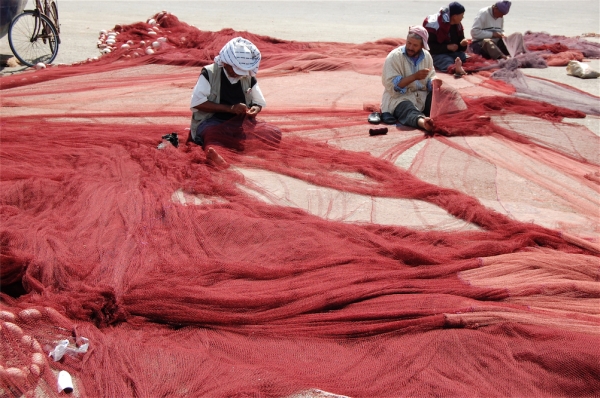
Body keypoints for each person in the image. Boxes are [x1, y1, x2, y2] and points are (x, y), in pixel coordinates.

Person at [189, 37, 281, 167]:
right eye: (235, 70)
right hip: (212, 121)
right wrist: (230, 108)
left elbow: (258, 102)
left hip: (240, 124)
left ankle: (236, 150)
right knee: (212, 134)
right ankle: (219, 155)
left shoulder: (247, 77)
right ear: (226, 63)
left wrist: (255, 109)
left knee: (273, 132)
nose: (239, 75)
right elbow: (197, 103)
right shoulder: (209, 73)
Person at [380, 26, 441, 132]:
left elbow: (431, 76)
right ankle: (423, 123)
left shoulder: (427, 56)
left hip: (421, 96)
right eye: (409, 43)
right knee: (407, 109)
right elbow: (393, 86)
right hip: (399, 98)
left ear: (422, 46)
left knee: (442, 99)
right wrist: (414, 77)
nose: (410, 47)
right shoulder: (394, 57)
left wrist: (433, 83)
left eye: (415, 45)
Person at [423, 2, 468, 75]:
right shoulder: (435, 25)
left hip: (453, 53)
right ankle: (455, 69)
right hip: (437, 54)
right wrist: (447, 47)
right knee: (446, 60)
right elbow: (428, 46)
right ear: (455, 16)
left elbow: (460, 44)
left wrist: (462, 44)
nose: (463, 17)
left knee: (463, 57)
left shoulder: (458, 25)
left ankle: (458, 66)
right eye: (462, 15)